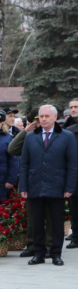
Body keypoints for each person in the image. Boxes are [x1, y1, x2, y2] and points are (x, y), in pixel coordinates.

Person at [20, 105, 77, 266]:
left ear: (55, 117)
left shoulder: (67, 136)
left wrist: (69, 188)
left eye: (47, 116)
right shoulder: (30, 137)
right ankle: (38, 254)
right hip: (35, 185)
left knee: (57, 222)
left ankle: (56, 254)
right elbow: (24, 164)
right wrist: (23, 187)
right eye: (41, 116)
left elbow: (72, 165)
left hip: (57, 186)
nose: (44, 119)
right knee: (37, 222)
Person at [8, 114, 47, 257]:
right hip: (33, 180)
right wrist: (25, 131)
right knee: (33, 216)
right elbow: (12, 149)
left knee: (50, 216)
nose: (38, 124)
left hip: (51, 181)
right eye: (35, 122)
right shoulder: (29, 136)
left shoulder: (56, 135)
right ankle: (32, 245)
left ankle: (49, 246)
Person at [64, 97, 78, 248]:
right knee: (74, 206)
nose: (73, 109)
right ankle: (76, 235)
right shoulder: (68, 129)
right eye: (71, 107)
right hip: (73, 173)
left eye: (76, 107)